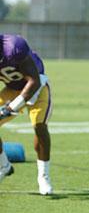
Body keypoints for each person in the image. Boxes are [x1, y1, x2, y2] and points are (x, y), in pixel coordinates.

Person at [0, 34, 53, 195]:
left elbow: (34, 80)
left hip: (36, 87)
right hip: (12, 89)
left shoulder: (13, 46)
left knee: (39, 126)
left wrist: (12, 107)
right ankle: (4, 165)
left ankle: (43, 176)